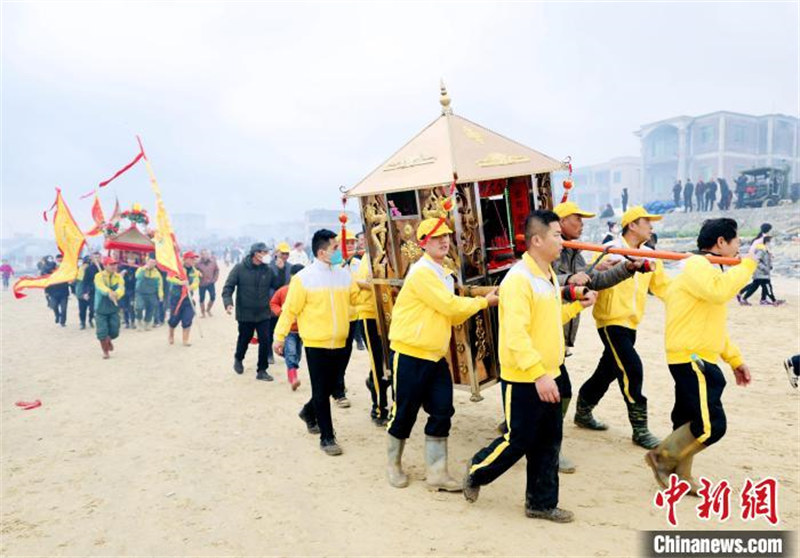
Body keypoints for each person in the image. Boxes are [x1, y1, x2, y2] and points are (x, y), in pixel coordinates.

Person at [463, 210, 596, 523]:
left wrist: (578, 306)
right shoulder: (519, 280)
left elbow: (548, 320)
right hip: (525, 377)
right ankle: (476, 471)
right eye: (556, 235)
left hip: (550, 372)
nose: (562, 241)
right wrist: (538, 375)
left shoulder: (547, 275)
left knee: (549, 442)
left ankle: (541, 503)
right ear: (537, 240)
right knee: (518, 439)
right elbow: (516, 336)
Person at [385, 218, 499, 491]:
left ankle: (437, 473)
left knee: (442, 410)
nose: (444, 241)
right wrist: (485, 301)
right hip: (411, 353)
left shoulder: (442, 271)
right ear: (423, 243)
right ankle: (393, 465)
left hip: (435, 355)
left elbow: (453, 300)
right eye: (437, 238)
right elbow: (449, 306)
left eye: (446, 236)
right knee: (404, 413)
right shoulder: (423, 272)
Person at [646, 218, 757, 494]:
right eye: (736, 241)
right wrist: (749, 266)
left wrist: (734, 360)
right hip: (691, 356)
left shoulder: (710, 270)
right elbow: (718, 293)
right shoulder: (697, 265)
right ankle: (661, 458)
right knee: (712, 426)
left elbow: (714, 324)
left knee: (687, 420)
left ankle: (681, 475)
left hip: (698, 354)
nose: (739, 246)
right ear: (721, 242)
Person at [552, 201, 640, 472]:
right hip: (547, 328)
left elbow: (592, 281)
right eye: (577, 219)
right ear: (562, 221)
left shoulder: (576, 251)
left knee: (553, 390)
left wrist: (625, 269)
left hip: (562, 329)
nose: (582, 224)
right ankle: (547, 447)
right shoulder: (552, 250)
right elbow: (547, 279)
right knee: (560, 390)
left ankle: (521, 427)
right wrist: (570, 278)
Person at [576, 206, 670, 449]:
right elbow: (590, 276)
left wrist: (690, 300)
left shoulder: (651, 255)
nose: (651, 226)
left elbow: (664, 288)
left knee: (607, 370)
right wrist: (602, 267)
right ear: (633, 225)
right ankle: (640, 430)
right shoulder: (612, 249)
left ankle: (583, 409)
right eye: (647, 222)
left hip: (632, 322)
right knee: (631, 367)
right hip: (610, 320)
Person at [273, 229, 358, 456]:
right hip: (316, 342)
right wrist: (279, 337)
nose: (339, 251)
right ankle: (327, 437)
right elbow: (290, 310)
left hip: (341, 340)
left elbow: (356, 298)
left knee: (332, 385)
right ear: (322, 252)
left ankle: (308, 412)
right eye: (335, 248)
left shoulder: (344, 274)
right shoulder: (303, 278)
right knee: (321, 389)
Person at [222, 242, 283, 381]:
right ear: (257, 254)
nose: (267, 255)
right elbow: (228, 287)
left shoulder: (267, 270)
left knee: (265, 340)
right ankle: (238, 358)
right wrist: (228, 303)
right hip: (245, 313)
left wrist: (279, 270)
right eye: (265, 252)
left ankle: (262, 370)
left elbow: (277, 285)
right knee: (244, 338)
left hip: (263, 312)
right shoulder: (239, 268)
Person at [353, 251, 391, 426]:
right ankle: (379, 409)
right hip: (369, 315)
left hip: (390, 314)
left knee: (391, 363)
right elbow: (362, 282)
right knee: (377, 364)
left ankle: (394, 405)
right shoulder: (368, 257)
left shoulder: (393, 255)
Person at [332, 229, 360, 408]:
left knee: (346, 354)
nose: (350, 245)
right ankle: (338, 390)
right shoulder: (334, 264)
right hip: (337, 315)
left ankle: (337, 385)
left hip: (353, 315)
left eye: (352, 243)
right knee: (336, 355)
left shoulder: (358, 263)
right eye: (346, 243)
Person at [270, 264, 305, 390]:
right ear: (291, 276)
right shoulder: (283, 290)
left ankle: (285, 356)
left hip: (302, 330)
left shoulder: (307, 291)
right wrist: (281, 312)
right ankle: (293, 378)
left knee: (297, 355)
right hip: (289, 330)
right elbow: (273, 303)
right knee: (291, 353)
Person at [736, 235, 784, 306]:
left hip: (762, 273)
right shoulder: (762, 250)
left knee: (755, 286)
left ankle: (746, 298)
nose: (772, 243)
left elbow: (765, 261)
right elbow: (757, 260)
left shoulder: (766, 250)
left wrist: (770, 266)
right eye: (771, 241)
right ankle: (773, 301)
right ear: (767, 242)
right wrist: (765, 268)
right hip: (761, 273)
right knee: (767, 286)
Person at [166, 251, 201, 347]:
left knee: (188, 318)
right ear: (185, 259)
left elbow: (196, 282)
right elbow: (169, 277)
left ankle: (185, 340)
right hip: (176, 298)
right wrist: (180, 282)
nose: (193, 261)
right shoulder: (177, 269)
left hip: (188, 298)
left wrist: (191, 287)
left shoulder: (195, 271)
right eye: (191, 258)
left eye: (194, 259)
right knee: (174, 319)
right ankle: (171, 335)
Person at [266, 242, 293, 364]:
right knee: (270, 330)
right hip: (272, 302)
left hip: (287, 303)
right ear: (276, 253)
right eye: (283, 253)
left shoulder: (291, 267)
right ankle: (269, 354)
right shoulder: (268, 267)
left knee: (286, 329)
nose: (285, 256)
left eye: (287, 253)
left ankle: (284, 352)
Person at [94, 256, 125, 359]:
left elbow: (121, 288)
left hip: (113, 307)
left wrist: (116, 294)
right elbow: (100, 287)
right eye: (111, 264)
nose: (113, 266)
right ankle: (105, 351)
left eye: (115, 264)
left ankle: (109, 339)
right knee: (102, 331)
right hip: (101, 307)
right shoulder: (99, 276)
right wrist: (108, 292)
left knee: (115, 331)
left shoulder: (118, 277)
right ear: (105, 266)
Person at [135, 255, 164, 330]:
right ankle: (138, 321)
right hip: (140, 293)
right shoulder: (141, 269)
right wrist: (144, 269)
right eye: (151, 262)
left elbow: (160, 285)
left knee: (151, 308)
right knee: (139, 307)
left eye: (154, 262)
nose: (152, 264)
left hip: (151, 293)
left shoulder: (157, 273)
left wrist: (161, 295)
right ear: (147, 261)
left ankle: (147, 323)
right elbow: (138, 277)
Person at [45, 254, 69, 327]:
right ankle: (57, 315)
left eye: (61, 258)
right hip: (53, 292)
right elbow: (46, 279)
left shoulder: (66, 268)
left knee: (64, 308)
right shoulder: (51, 268)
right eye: (58, 258)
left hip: (63, 292)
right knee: (54, 306)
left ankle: (63, 322)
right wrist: (46, 291)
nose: (60, 260)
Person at [196, 249, 220, 318]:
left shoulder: (213, 262)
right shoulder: (197, 263)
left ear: (209, 255)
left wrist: (215, 279)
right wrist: (197, 277)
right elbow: (194, 271)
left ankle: (208, 309)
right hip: (201, 284)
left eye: (206, 254)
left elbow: (217, 270)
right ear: (201, 255)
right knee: (201, 298)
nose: (205, 255)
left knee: (213, 297)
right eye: (203, 254)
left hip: (211, 283)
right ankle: (203, 313)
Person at [118, 254, 139, 329]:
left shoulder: (137, 268)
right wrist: (122, 273)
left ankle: (132, 322)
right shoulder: (122, 267)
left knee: (131, 306)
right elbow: (118, 277)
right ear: (127, 260)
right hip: (124, 290)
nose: (131, 261)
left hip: (132, 290)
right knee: (124, 307)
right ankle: (127, 322)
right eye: (130, 259)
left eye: (133, 260)